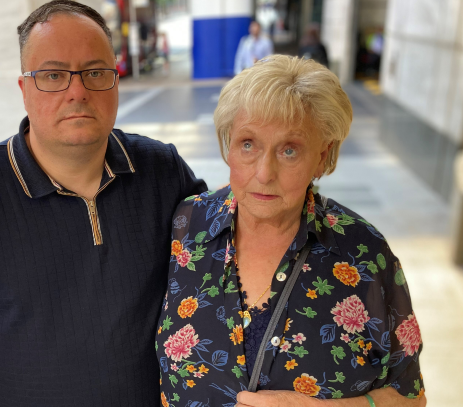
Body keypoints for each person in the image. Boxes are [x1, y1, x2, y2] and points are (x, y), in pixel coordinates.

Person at [0, 1, 206, 406]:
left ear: (115, 80)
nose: (76, 91)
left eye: (95, 72)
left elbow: (226, 265)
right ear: (24, 90)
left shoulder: (163, 171)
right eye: (53, 75)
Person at [156, 55, 426, 407]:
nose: (265, 173)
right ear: (228, 146)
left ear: (322, 156)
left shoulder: (364, 254)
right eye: (248, 144)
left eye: (289, 150)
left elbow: (411, 397)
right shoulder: (188, 225)